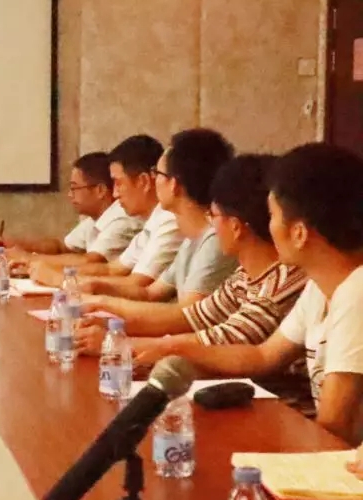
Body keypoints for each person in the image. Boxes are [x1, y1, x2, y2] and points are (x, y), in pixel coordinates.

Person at [135, 144, 363, 443]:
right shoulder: (319, 287)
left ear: (298, 233)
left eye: (272, 215)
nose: (267, 227)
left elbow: (334, 424)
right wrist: (174, 349)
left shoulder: (356, 291)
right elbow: (263, 355)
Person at [79, 128, 237, 304]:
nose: (153, 181)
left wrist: (104, 303)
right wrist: (97, 287)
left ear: (174, 184)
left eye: (157, 174)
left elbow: (185, 314)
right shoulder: (191, 239)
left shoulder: (215, 238)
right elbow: (150, 293)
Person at [30, 134, 182, 289]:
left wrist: (61, 279)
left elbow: (137, 284)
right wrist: (55, 272)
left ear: (143, 181)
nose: (114, 194)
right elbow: (112, 269)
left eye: (118, 183)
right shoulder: (154, 220)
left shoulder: (170, 220)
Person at [4, 152, 142, 266]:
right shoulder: (94, 219)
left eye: (74, 188)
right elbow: (60, 247)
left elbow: (91, 261)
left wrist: (28, 258)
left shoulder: (122, 218)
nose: (70, 195)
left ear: (100, 190)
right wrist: (15, 244)